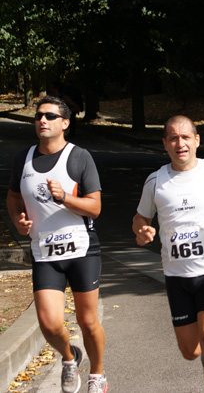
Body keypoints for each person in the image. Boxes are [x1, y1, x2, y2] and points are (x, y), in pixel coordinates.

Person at [132, 115, 204, 393]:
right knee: (191, 351)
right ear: (165, 144)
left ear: (197, 140)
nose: (180, 143)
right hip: (177, 276)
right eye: (173, 138)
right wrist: (142, 231)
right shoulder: (156, 181)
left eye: (186, 137)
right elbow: (139, 218)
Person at [6, 95, 107, 393]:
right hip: (44, 252)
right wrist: (17, 220)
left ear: (65, 123)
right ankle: (69, 356)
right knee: (49, 325)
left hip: (82, 249)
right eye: (39, 116)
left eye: (50, 116)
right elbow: (13, 198)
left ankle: (97, 374)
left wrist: (65, 197)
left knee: (88, 321)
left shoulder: (78, 157)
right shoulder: (23, 159)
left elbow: (95, 207)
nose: (42, 120)